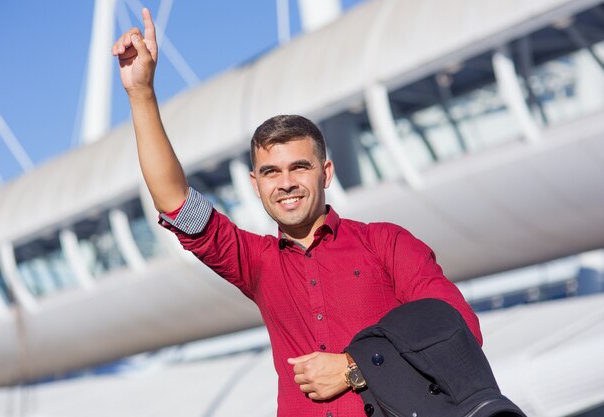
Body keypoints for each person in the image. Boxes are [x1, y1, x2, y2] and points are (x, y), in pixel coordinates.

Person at [112, 9, 482, 417]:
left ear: (326, 173)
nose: (285, 183)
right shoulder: (256, 263)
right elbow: (175, 202)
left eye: (299, 168)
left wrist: (354, 369)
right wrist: (141, 93)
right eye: (271, 172)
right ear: (256, 185)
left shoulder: (386, 242)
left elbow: (458, 329)